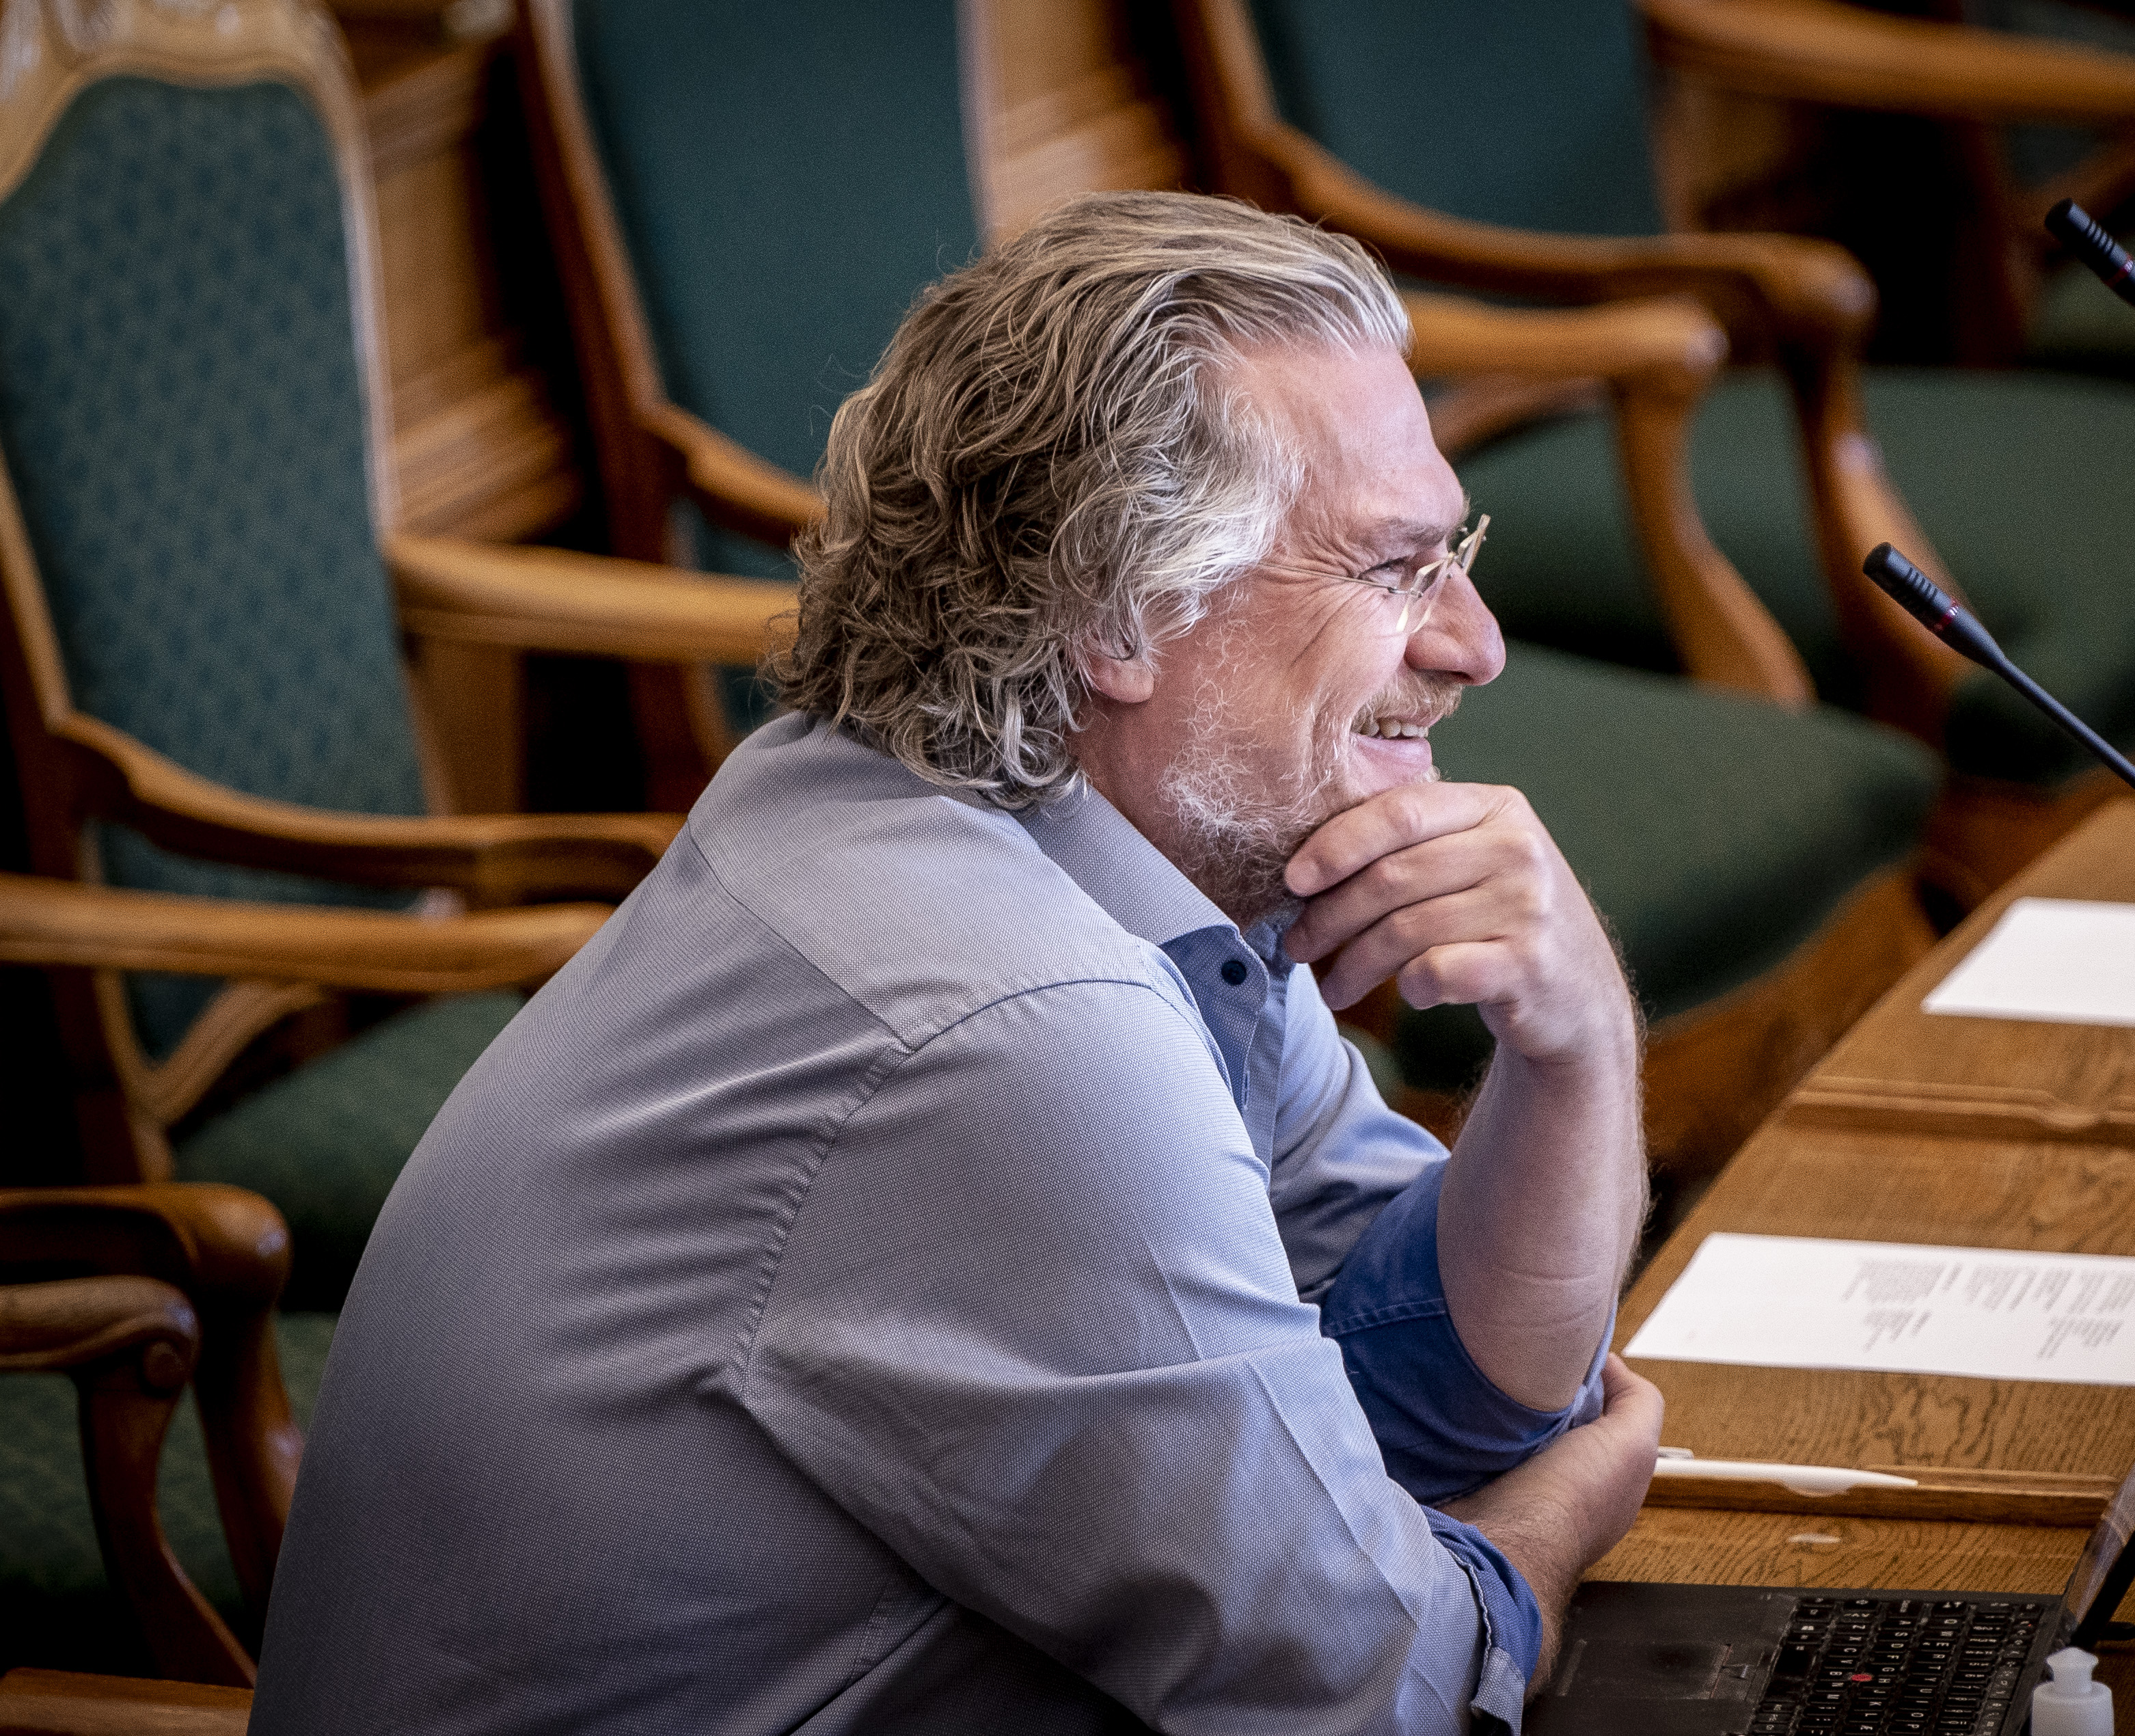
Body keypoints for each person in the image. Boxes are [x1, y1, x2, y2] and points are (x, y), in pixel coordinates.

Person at [249, 191, 1661, 1735]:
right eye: (1392, 570)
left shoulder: (1067, 849)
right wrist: (1562, 1519)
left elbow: (1428, 1386)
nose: (1475, 642)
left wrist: (1575, 1045)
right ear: (1118, 614)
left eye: (1454, 552)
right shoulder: (1018, 1025)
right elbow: (1376, 1692)